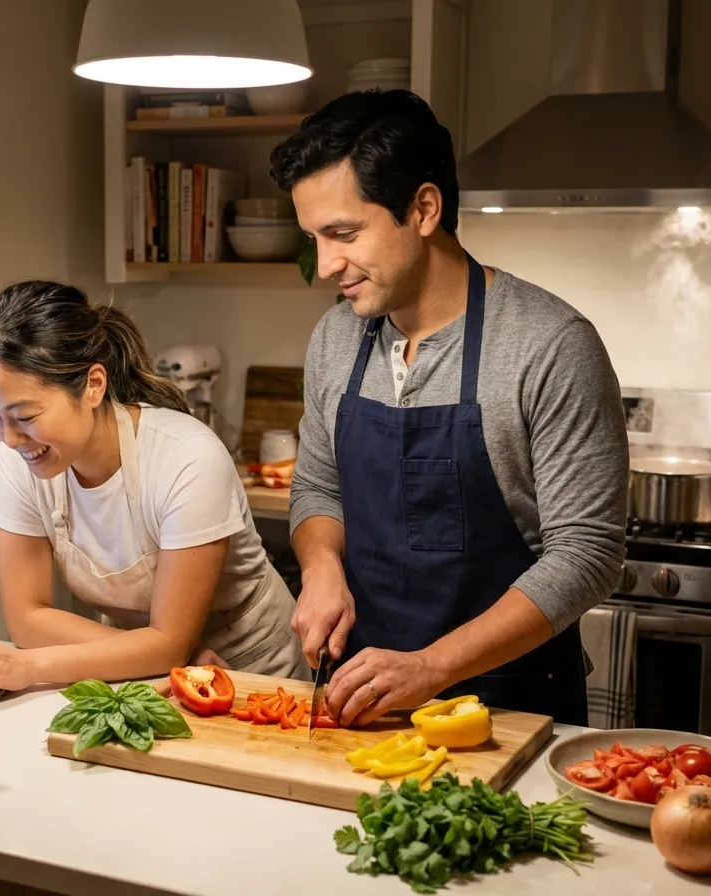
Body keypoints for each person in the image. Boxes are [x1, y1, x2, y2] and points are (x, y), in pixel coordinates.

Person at [268, 90, 628, 728]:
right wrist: (321, 565)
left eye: (344, 234)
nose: (325, 265)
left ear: (424, 208)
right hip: (364, 697)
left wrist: (431, 668)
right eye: (313, 238)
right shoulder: (334, 338)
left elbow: (587, 554)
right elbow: (319, 485)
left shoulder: (548, 345)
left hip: (510, 710)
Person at [0, 280, 306, 699]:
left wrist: (31, 665)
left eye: (25, 415)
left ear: (93, 385)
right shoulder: (21, 459)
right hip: (139, 671)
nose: (11, 438)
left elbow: (168, 639)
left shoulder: (188, 458)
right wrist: (155, 655)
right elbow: (25, 617)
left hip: (253, 671)